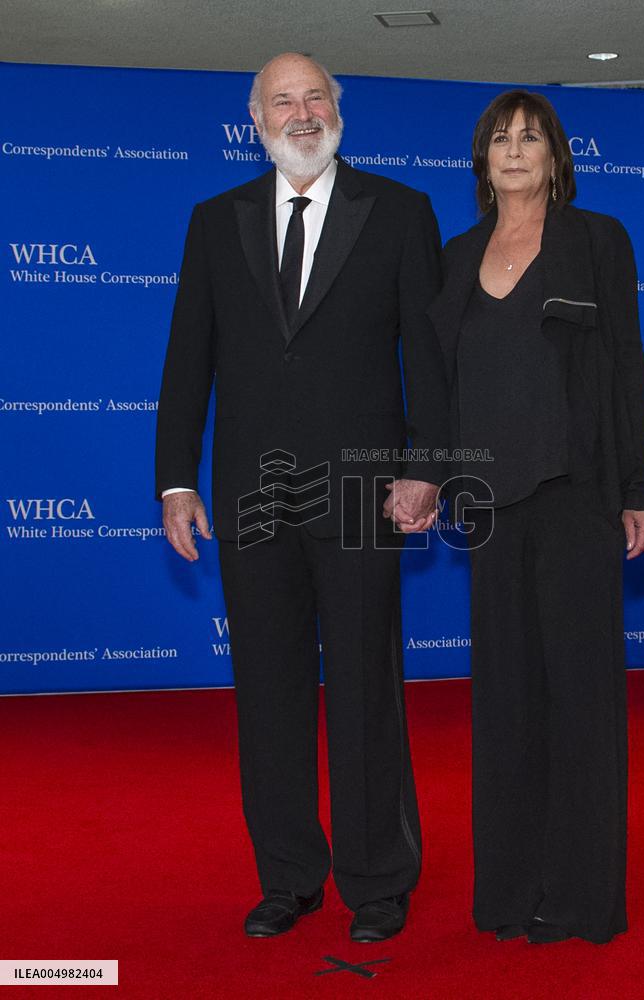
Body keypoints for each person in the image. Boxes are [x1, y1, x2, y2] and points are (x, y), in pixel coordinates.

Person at [155, 53, 448, 943]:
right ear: (256, 120)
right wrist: (175, 479)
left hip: (365, 489)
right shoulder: (216, 221)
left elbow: (429, 360)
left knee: (366, 688)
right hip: (250, 496)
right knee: (268, 693)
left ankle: (377, 880)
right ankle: (287, 875)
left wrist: (428, 467)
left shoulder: (400, 213)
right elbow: (186, 361)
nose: (301, 111)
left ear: (339, 111)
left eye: (315, 95)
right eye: (282, 99)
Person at [427, 89, 644, 944]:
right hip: (489, 509)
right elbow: (440, 388)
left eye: (531, 137)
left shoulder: (599, 242)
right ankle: (512, 890)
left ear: (557, 158)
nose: (515, 149)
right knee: (508, 704)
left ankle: (581, 895)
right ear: (482, 160)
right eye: (500, 138)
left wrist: (639, 486)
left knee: (581, 703)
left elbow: (626, 366)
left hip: (578, 499)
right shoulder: (454, 260)